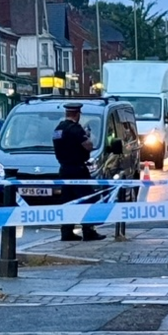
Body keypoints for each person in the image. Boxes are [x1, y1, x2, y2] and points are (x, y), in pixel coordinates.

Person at [52, 103, 106, 241]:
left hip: (64, 169)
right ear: (77, 114)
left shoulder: (58, 130)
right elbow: (88, 146)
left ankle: (66, 232)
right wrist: (87, 136)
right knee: (87, 199)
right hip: (78, 169)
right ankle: (88, 231)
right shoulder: (76, 129)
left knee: (68, 201)